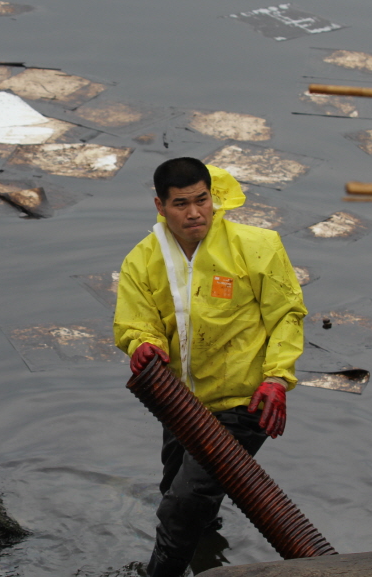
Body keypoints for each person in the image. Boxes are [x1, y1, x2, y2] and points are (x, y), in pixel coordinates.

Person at [113, 157, 307, 577]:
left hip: (246, 403)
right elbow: (134, 321)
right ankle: (208, 551)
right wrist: (143, 344)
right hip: (180, 404)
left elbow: (286, 316)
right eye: (181, 203)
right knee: (176, 491)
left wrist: (276, 378)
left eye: (202, 200)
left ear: (213, 198)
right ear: (160, 206)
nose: (195, 212)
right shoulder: (141, 262)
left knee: (181, 506)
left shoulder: (257, 247)